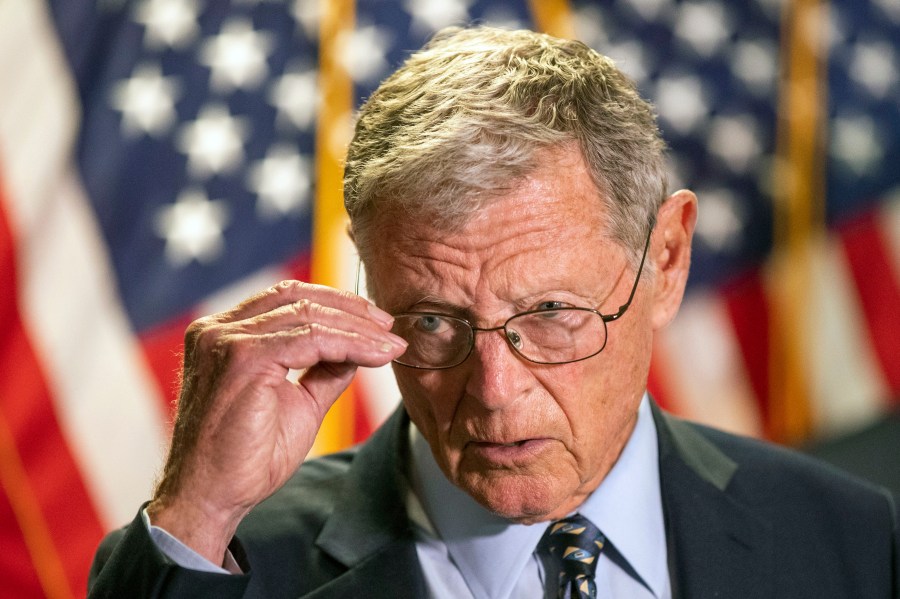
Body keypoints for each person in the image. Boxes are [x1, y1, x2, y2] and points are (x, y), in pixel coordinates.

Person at [87, 26, 898, 599]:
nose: (496, 391)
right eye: (434, 321)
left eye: (549, 311)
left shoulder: (851, 542)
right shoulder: (220, 566)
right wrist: (195, 514)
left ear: (667, 261)